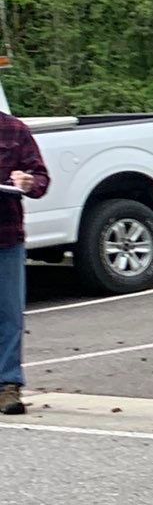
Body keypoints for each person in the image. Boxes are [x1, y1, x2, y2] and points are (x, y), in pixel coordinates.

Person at [0, 102, 52, 415]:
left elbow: (40, 178)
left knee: (9, 315)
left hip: (6, 237)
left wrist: (29, 182)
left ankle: (8, 385)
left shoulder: (14, 130)